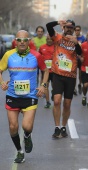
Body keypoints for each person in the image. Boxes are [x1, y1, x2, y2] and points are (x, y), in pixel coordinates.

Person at [0, 30, 49, 163]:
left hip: (30, 96)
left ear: (29, 41)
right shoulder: (8, 55)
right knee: (12, 127)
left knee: (26, 126)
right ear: (15, 41)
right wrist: (2, 83)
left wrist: (43, 86)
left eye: (24, 40)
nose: (22, 42)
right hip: (12, 95)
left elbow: (46, 70)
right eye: (19, 40)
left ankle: (27, 136)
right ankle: (19, 151)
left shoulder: (36, 55)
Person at [46, 19, 82, 139]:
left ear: (74, 30)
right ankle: (57, 127)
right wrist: (57, 22)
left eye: (71, 27)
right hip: (57, 74)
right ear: (64, 28)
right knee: (56, 101)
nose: (69, 29)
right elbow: (48, 26)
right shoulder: (57, 37)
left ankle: (63, 126)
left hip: (70, 77)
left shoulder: (76, 42)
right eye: (67, 27)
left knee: (67, 103)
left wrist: (76, 43)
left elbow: (80, 54)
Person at [39, 34, 54, 108]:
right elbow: (39, 56)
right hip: (45, 71)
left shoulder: (56, 47)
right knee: (45, 86)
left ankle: (53, 93)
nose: (49, 40)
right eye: (48, 39)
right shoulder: (42, 47)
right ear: (46, 39)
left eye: (51, 39)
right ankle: (48, 102)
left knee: (55, 87)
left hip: (54, 71)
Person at [74, 25, 86, 95]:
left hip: (81, 58)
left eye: (78, 30)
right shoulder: (73, 38)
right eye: (76, 30)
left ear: (80, 30)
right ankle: (74, 88)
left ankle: (80, 84)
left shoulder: (83, 38)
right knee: (74, 74)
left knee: (80, 73)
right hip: (74, 58)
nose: (77, 31)